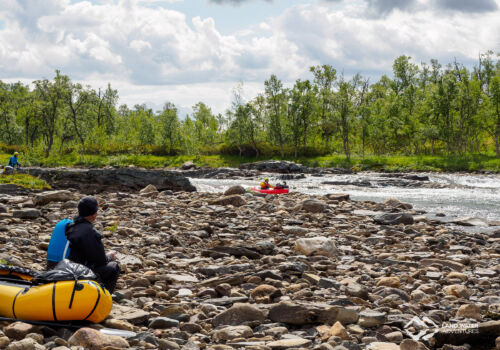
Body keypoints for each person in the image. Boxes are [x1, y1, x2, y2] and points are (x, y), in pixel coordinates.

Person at [66, 196, 120, 293]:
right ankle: (103, 297)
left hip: (65, 268)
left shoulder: (70, 226)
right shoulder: (90, 232)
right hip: (79, 273)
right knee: (114, 267)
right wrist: (109, 256)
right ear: (94, 214)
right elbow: (101, 261)